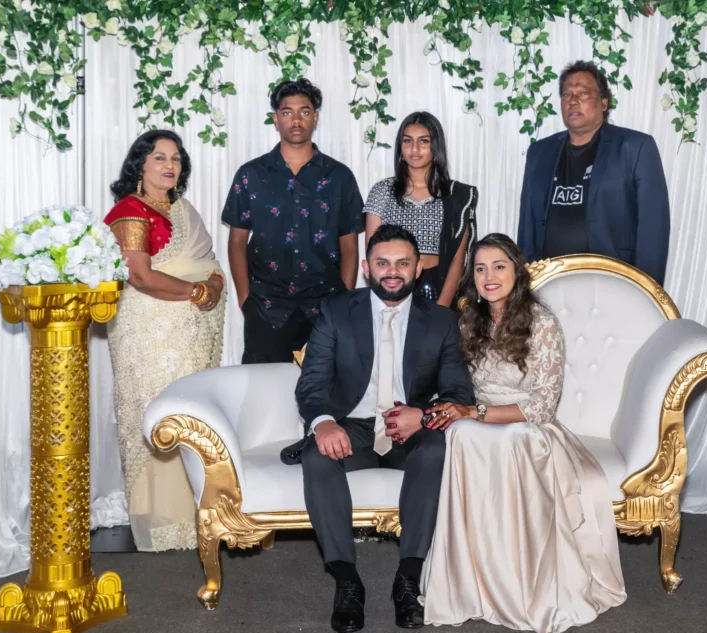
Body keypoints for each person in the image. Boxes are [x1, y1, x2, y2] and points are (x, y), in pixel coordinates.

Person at [421, 233, 626, 633]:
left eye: (499, 266)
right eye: (480, 269)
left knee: (512, 439)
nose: (489, 276)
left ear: (517, 271)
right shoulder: (467, 321)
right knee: (458, 435)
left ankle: (522, 583)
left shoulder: (542, 322)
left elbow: (542, 406)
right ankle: (471, 583)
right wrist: (453, 409)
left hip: (528, 428)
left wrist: (475, 412)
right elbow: (455, 383)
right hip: (476, 425)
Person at [294, 224, 475, 633]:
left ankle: (408, 579)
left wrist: (424, 416)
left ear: (418, 269)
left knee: (434, 449)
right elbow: (312, 382)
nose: (392, 271)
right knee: (314, 455)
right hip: (353, 426)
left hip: (410, 430)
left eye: (402, 263)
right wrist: (322, 424)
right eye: (382, 263)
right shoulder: (337, 312)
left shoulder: (442, 321)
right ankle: (346, 581)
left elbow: (459, 393)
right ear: (365, 268)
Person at [104, 130, 226, 551]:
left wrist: (212, 282)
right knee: (156, 412)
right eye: (159, 157)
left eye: (175, 158)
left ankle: (199, 515)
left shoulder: (182, 209)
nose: (169, 165)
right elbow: (140, 276)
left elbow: (209, 260)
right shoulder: (130, 211)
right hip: (147, 333)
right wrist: (196, 291)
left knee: (191, 415)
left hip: (188, 333)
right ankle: (161, 523)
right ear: (141, 164)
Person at [223, 78, 364, 364]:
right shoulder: (251, 174)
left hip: (326, 307)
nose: (296, 120)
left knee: (324, 396)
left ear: (315, 117)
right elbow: (237, 241)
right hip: (266, 307)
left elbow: (349, 245)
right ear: (276, 119)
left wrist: (344, 302)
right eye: (287, 112)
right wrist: (246, 301)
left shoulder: (339, 176)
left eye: (305, 111)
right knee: (263, 398)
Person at [516, 60, 672, 285]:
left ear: (603, 103)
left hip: (613, 282)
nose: (573, 100)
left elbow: (653, 228)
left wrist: (646, 292)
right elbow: (527, 226)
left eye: (584, 93)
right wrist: (527, 283)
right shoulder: (539, 153)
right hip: (550, 282)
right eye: (567, 94)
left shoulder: (635, 147)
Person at [363, 111, 478, 307]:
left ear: (436, 146)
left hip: (439, 288)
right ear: (400, 147)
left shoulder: (456, 195)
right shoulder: (382, 191)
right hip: (392, 287)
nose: (414, 149)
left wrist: (441, 309)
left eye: (423, 141)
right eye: (407, 141)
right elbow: (373, 252)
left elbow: (458, 260)